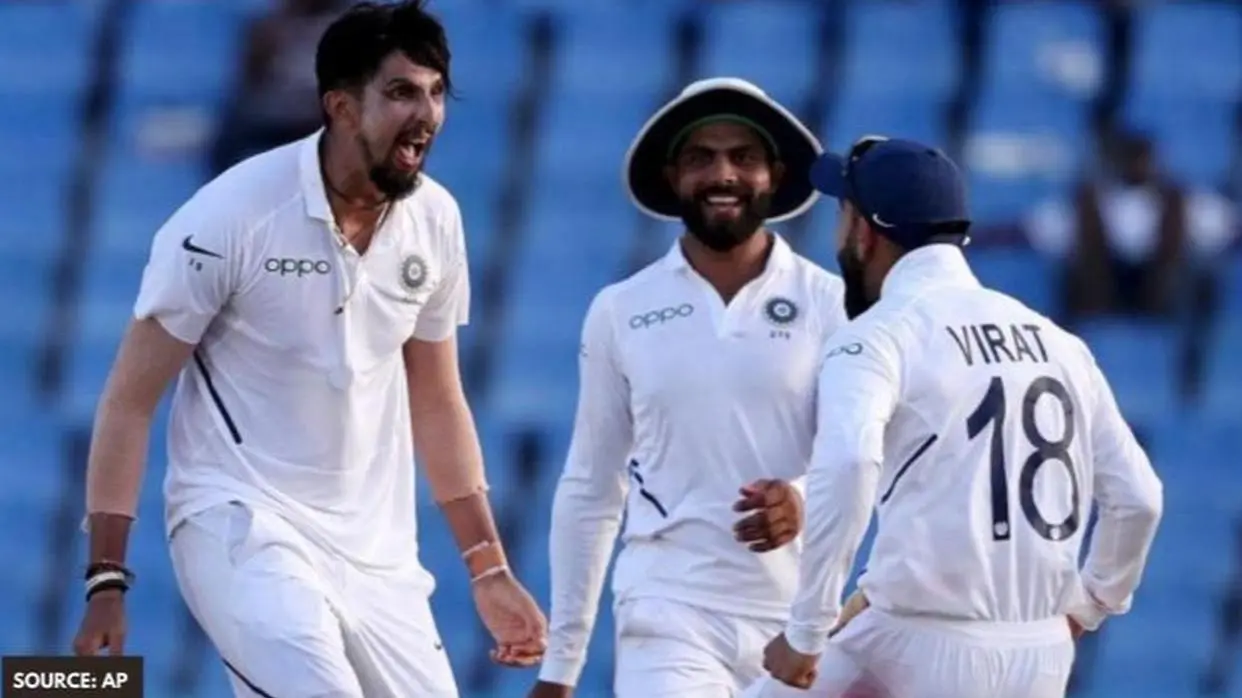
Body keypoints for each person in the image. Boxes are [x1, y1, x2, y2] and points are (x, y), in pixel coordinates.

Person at [71, 3, 547, 696]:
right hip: (241, 523)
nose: (427, 114)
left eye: (437, 92)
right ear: (341, 106)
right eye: (402, 92)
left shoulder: (436, 219)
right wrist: (106, 579)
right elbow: (128, 402)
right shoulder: (230, 216)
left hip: (379, 559)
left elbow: (439, 401)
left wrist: (489, 567)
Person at [749, 136, 1165, 698]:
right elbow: (1139, 498)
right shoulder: (1058, 342)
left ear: (865, 233)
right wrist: (1093, 602)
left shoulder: (877, 337)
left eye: (842, 215)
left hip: (918, 641)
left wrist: (807, 631)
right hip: (1041, 652)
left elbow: (848, 464)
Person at [528, 77, 848, 698]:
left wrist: (804, 499)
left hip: (799, 620)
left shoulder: (831, 305)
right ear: (674, 177)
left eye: (743, 157)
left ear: (775, 175)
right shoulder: (622, 309)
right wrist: (560, 666)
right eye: (701, 158)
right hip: (666, 609)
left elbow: (866, 456)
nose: (722, 174)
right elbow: (591, 485)